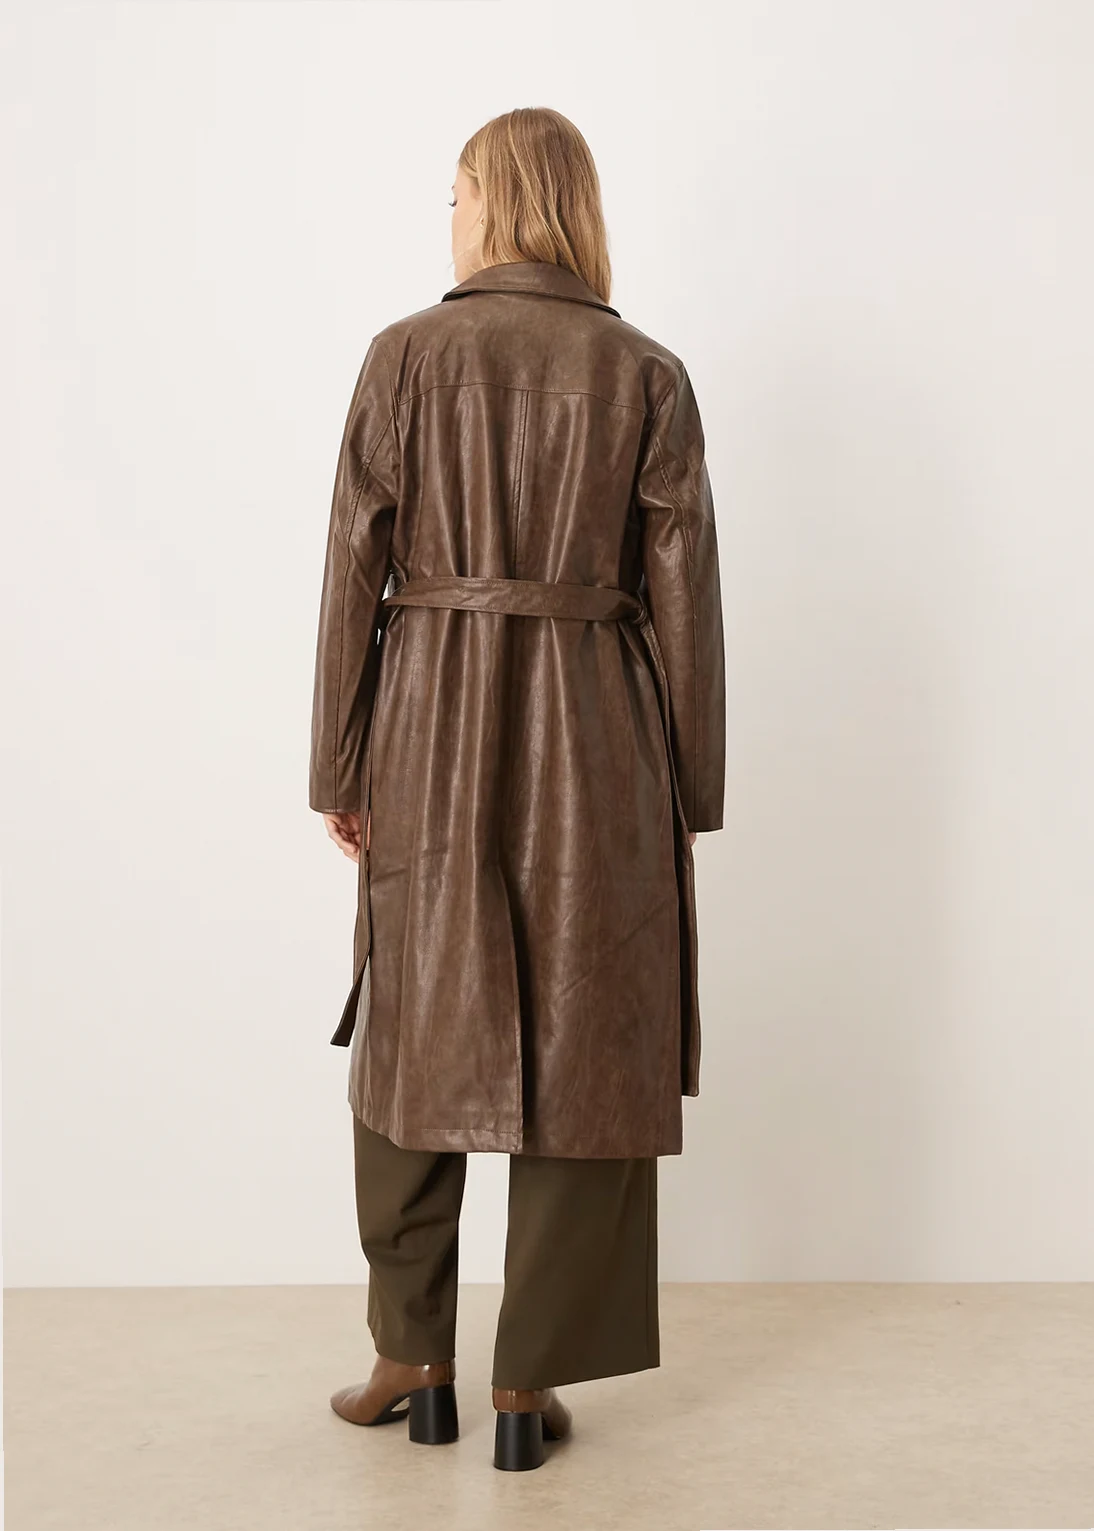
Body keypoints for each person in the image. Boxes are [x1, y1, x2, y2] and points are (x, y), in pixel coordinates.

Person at [308, 106, 726, 1472]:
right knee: (586, 1039)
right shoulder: (646, 372)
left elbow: (352, 571)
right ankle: (524, 1382)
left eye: (456, 196)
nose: (450, 220)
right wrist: (689, 788)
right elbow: (686, 595)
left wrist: (340, 762)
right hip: (601, 734)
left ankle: (411, 1354)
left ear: (489, 207)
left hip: (427, 716)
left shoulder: (404, 357)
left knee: (414, 1021)